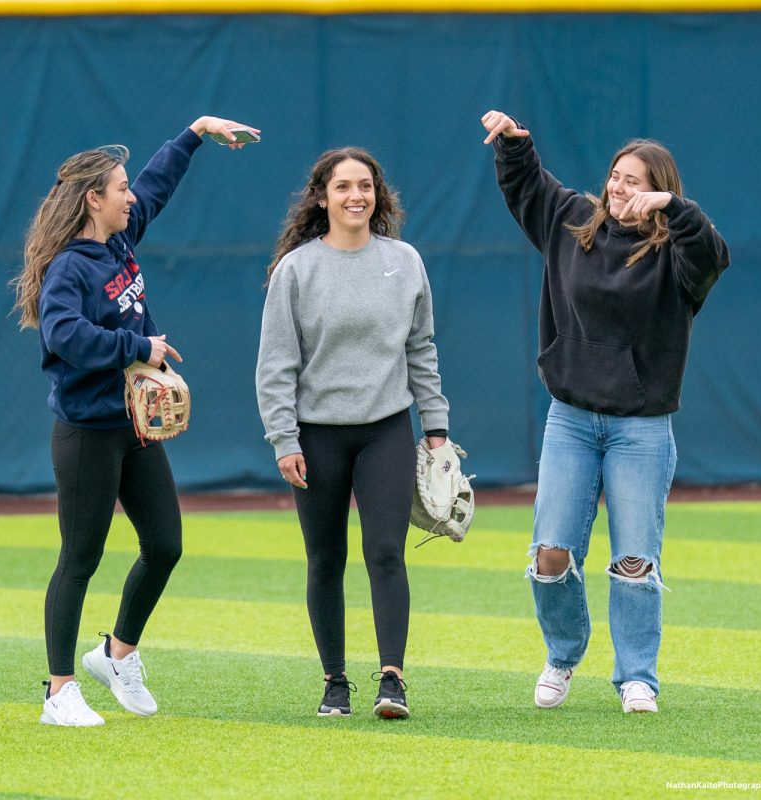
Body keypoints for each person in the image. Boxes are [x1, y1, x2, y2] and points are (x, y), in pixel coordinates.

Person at [480, 110, 730, 714]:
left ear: (659, 191)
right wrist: (516, 144)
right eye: (617, 176)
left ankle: (637, 675)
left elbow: (714, 253)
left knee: (634, 559)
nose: (620, 188)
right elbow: (526, 185)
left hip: (640, 428)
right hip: (570, 419)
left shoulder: (677, 257)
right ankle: (563, 656)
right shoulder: (572, 222)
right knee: (551, 555)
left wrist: (672, 208)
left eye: (636, 181)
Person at [13, 115, 258, 726]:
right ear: (93, 199)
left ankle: (116, 654)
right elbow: (63, 334)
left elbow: (156, 185)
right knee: (80, 558)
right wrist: (138, 348)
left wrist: (195, 134)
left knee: (166, 545)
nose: (130, 197)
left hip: (134, 429)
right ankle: (59, 690)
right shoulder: (70, 267)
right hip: (87, 432)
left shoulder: (118, 241)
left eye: (126, 187)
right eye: (118, 189)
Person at [255, 147, 451, 720]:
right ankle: (334, 682)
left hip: (385, 429)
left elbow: (422, 347)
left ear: (377, 194)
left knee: (386, 552)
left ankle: (393, 680)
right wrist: (283, 439)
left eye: (364, 185)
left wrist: (435, 425)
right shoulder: (296, 269)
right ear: (322, 197)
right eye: (342, 187)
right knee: (325, 558)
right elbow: (276, 365)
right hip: (316, 436)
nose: (355, 196)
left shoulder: (405, 261)